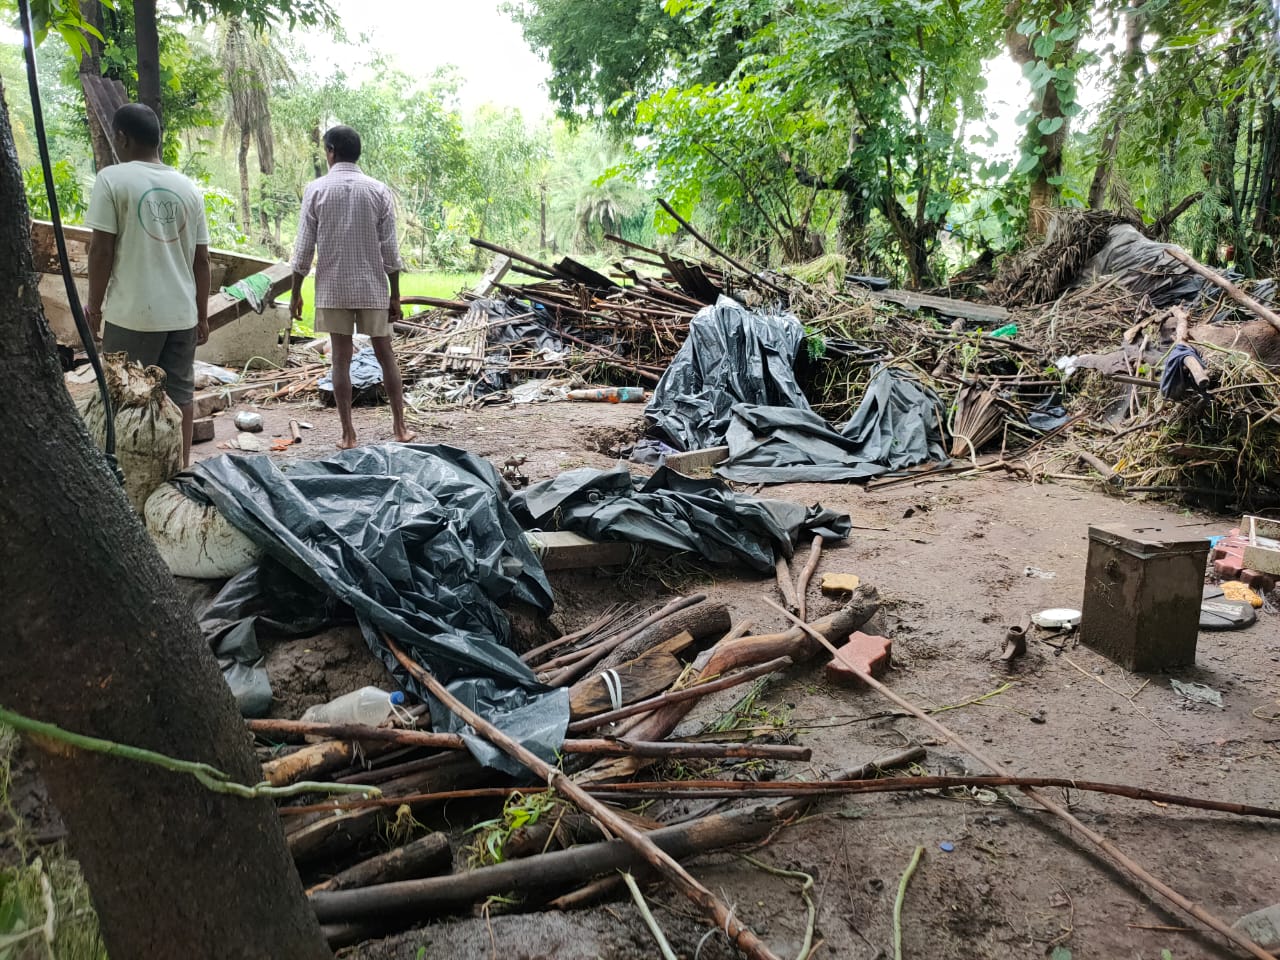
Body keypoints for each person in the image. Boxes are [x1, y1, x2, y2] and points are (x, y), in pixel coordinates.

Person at [84, 103, 210, 466]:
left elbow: (101, 250)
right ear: (158, 139)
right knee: (180, 398)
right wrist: (201, 315)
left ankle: (122, 479)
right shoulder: (188, 188)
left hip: (132, 316)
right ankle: (180, 474)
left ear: (122, 137)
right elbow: (202, 262)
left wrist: (94, 306)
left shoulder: (112, 179)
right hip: (181, 317)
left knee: (123, 399)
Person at [289, 124, 414, 449]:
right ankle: (400, 427)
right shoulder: (378, 190)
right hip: (372, 287)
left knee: (339, 359)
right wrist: (395, 294)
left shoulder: (316, 190)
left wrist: (295, 292)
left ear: (330, 151)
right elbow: (390, 250)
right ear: (356, 153)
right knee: (385, 354)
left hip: (333, 288)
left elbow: (303, 248)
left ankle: (348, 434)